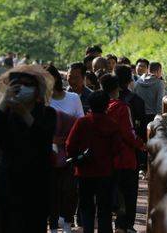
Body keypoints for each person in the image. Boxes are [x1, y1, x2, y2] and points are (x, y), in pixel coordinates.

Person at [0, 64, 56, 233]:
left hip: (37, 182)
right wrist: (6, 101)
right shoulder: (6, 115)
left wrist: (25, 114)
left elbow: (43, 137)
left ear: (37, 90)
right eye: (17, 85)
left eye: (28, 84)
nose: (23, 88)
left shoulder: (47, 113)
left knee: (35, 224)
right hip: (10, 181)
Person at [66, 91, 119, 233]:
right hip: (106, 172)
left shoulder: (82, 122)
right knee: (104, 209)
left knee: (86, 207)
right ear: (107, 105)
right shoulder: (112, 124)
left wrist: (77, 157)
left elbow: (70, 145)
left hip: (84, 171)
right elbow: (117, 149)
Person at [101, 74, 145, 233]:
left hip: (105, 159)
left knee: (109, 195)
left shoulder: (99, 106)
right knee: (128, 194)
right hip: (124, 157)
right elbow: (128, 133)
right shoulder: (121, 107)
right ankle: (124, 226)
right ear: (117, 88)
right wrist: (142, 145)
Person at [44, 64, 84, 233]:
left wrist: (68, 138)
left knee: (69, 190)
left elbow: (81, 122)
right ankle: (53, 226)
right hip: (49, 152)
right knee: (51, 190)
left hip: (70, 150)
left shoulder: (73, 98)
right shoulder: (43, 100)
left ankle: (67, 223)